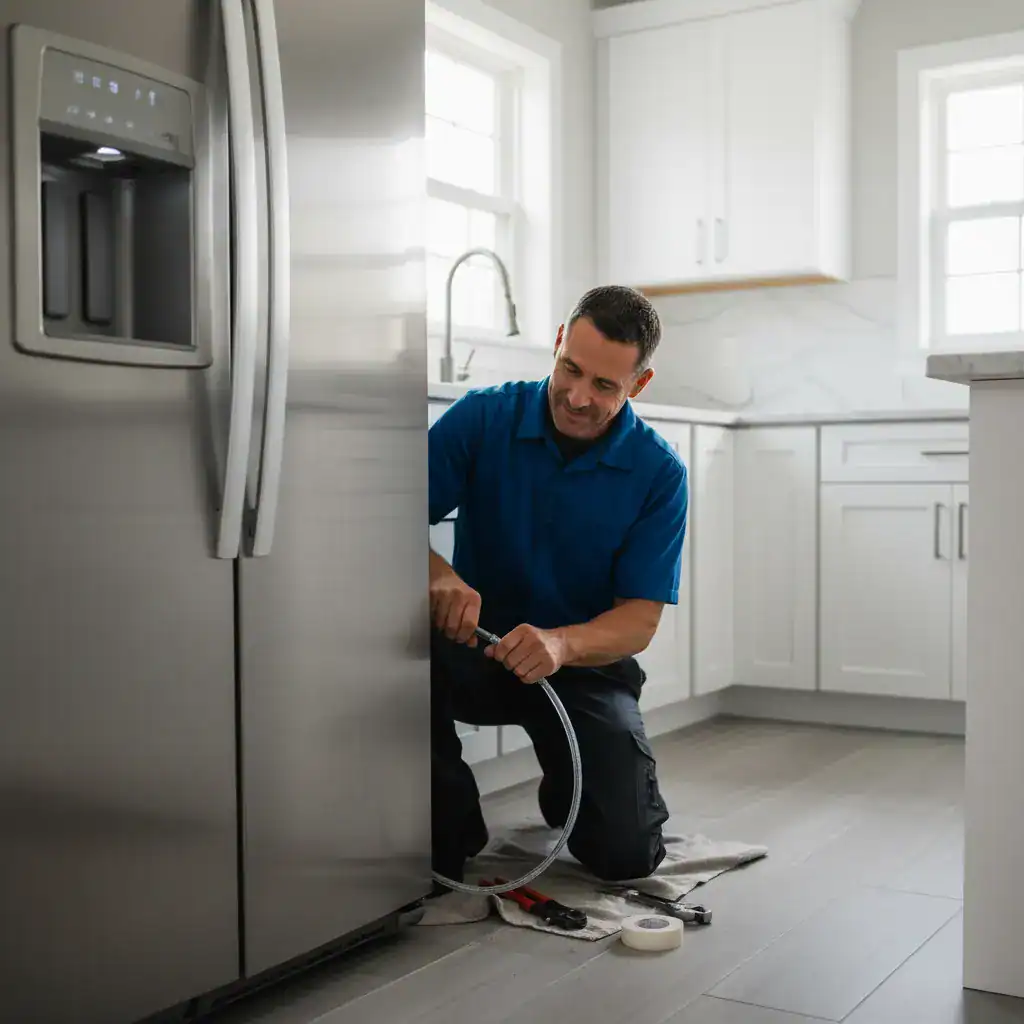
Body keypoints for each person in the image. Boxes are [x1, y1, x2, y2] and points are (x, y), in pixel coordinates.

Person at [428, 284, 688, 885]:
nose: (576, 397)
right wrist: (438, 573)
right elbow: (387, 515)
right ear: (557, 344)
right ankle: (449, 824)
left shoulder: (659, 473)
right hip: (469, 648)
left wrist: (561, 645)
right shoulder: (483, 417)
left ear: (639, 386)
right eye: (570, 369)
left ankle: (570, 788)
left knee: (626, 857)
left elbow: (639, 620)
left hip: (581, 670)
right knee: (387, 666)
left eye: (604, 386)